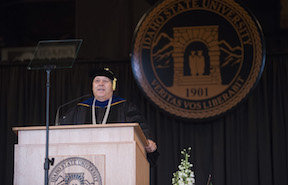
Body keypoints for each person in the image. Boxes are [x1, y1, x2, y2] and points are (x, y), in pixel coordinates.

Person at [60, 67, 159, 162]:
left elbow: (140, 128)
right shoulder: (80, 109)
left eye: (105, 81)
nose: (101, 84)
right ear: (92, 85)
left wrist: (147, 140)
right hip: (85, 161)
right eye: (97, 81)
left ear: (113, 86)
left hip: (118, 160)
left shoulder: (125, 108)